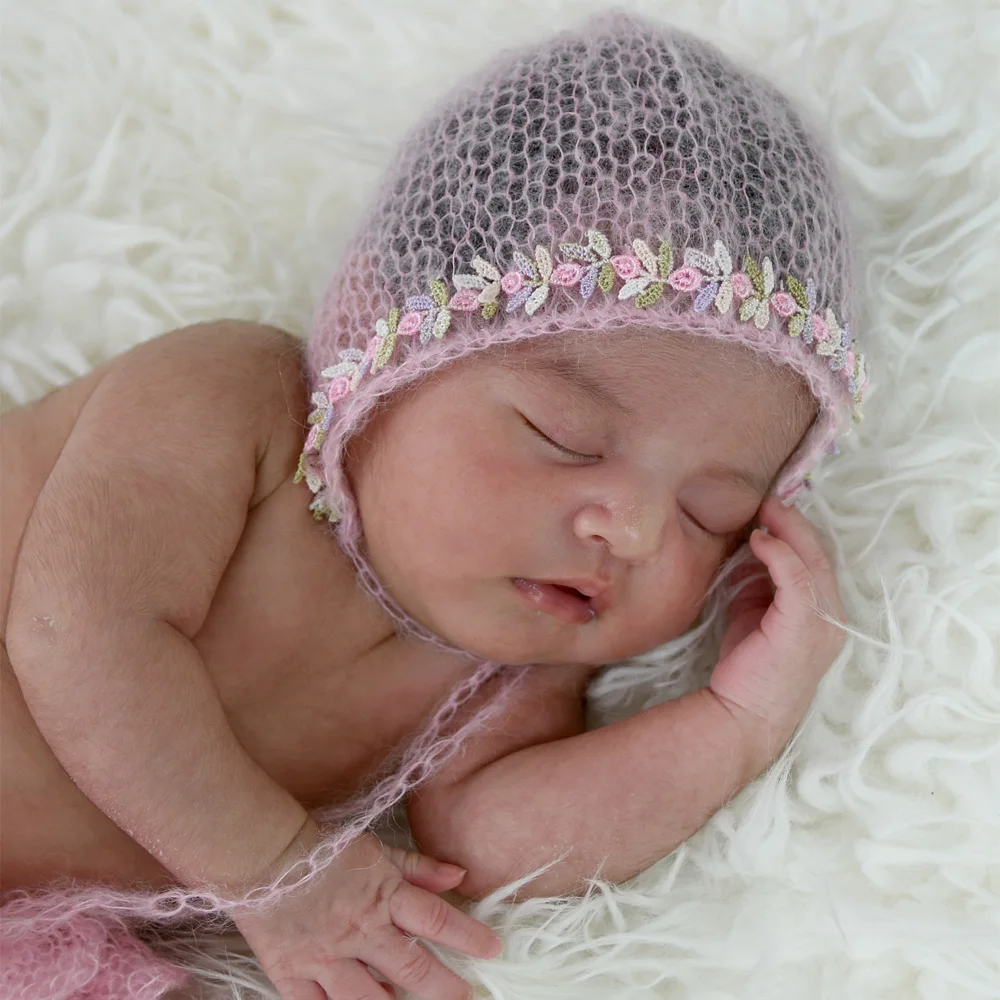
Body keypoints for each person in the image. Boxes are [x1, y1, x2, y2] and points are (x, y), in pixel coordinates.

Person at [0, 10, 869, 1000]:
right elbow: (79, 631)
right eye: (563, 437)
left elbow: (495, 846)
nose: (626, 531)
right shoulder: (231, 399)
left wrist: (739, 720)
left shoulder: (503, 665)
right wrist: (283, 869)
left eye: (709, 512)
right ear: (386, 346)